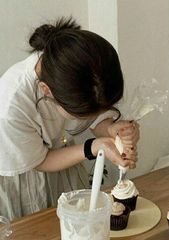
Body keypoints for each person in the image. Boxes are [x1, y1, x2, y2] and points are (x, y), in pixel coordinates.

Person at [0, 17, 139, 221]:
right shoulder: (10, 105)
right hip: (24, 176)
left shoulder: (78, 64)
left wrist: (112, 130)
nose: (92, 117)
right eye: (82, 113)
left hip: (61, 159)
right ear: (46, 90)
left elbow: (96, 115)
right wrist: (94, 147)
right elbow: (39, 161)